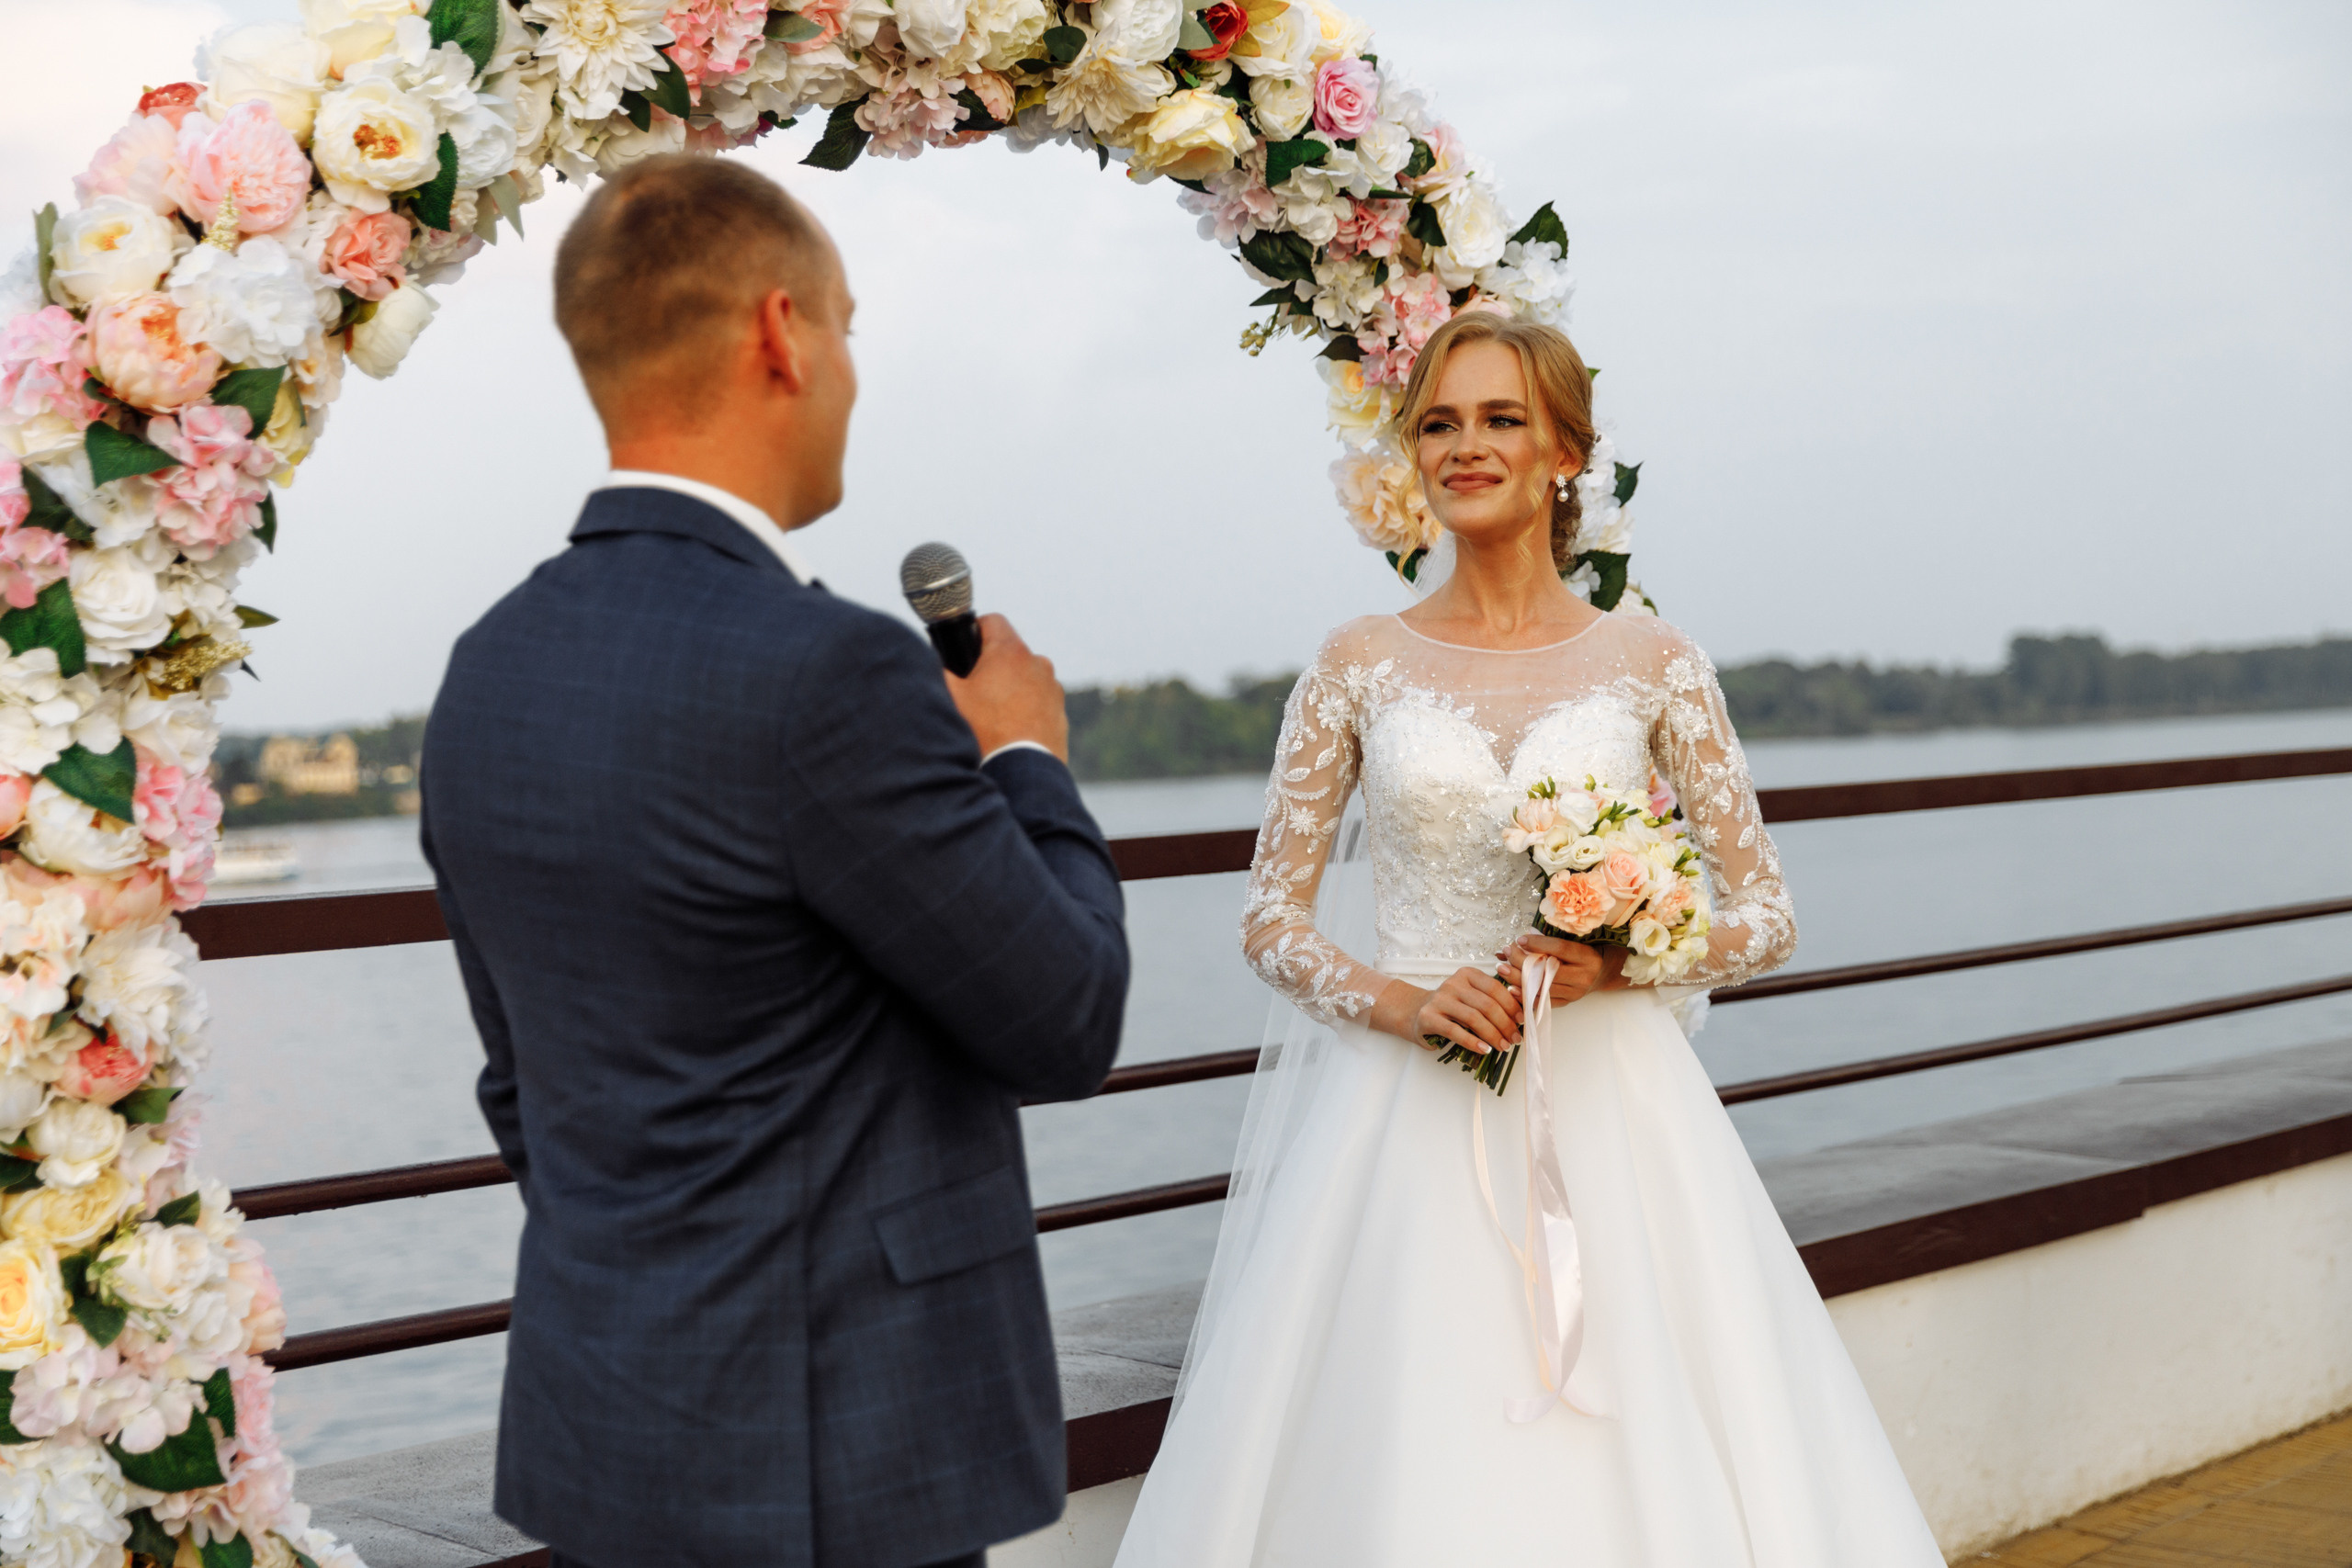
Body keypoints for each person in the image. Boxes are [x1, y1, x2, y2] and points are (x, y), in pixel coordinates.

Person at [1112, 312, 1945, 1564]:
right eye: (1439, 422)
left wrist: (1622, 963)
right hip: (1404, 1113)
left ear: (1564, 449)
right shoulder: (1357, 664)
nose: (1467, 446)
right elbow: (1270, 920)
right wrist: (1404, 1002)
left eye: (1501, 418)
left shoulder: (1655, 661)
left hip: (1617, 1109)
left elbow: (1766, 916)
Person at [419, 153, 1130, 1568]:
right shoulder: (833, 673)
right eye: (849, 326)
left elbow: (523, 1083)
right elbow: (1064, 1018)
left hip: (610, 1429)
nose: (853, 372)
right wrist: (1024, 759)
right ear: (777, 332)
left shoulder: (482, 672)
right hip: (842, 1460)